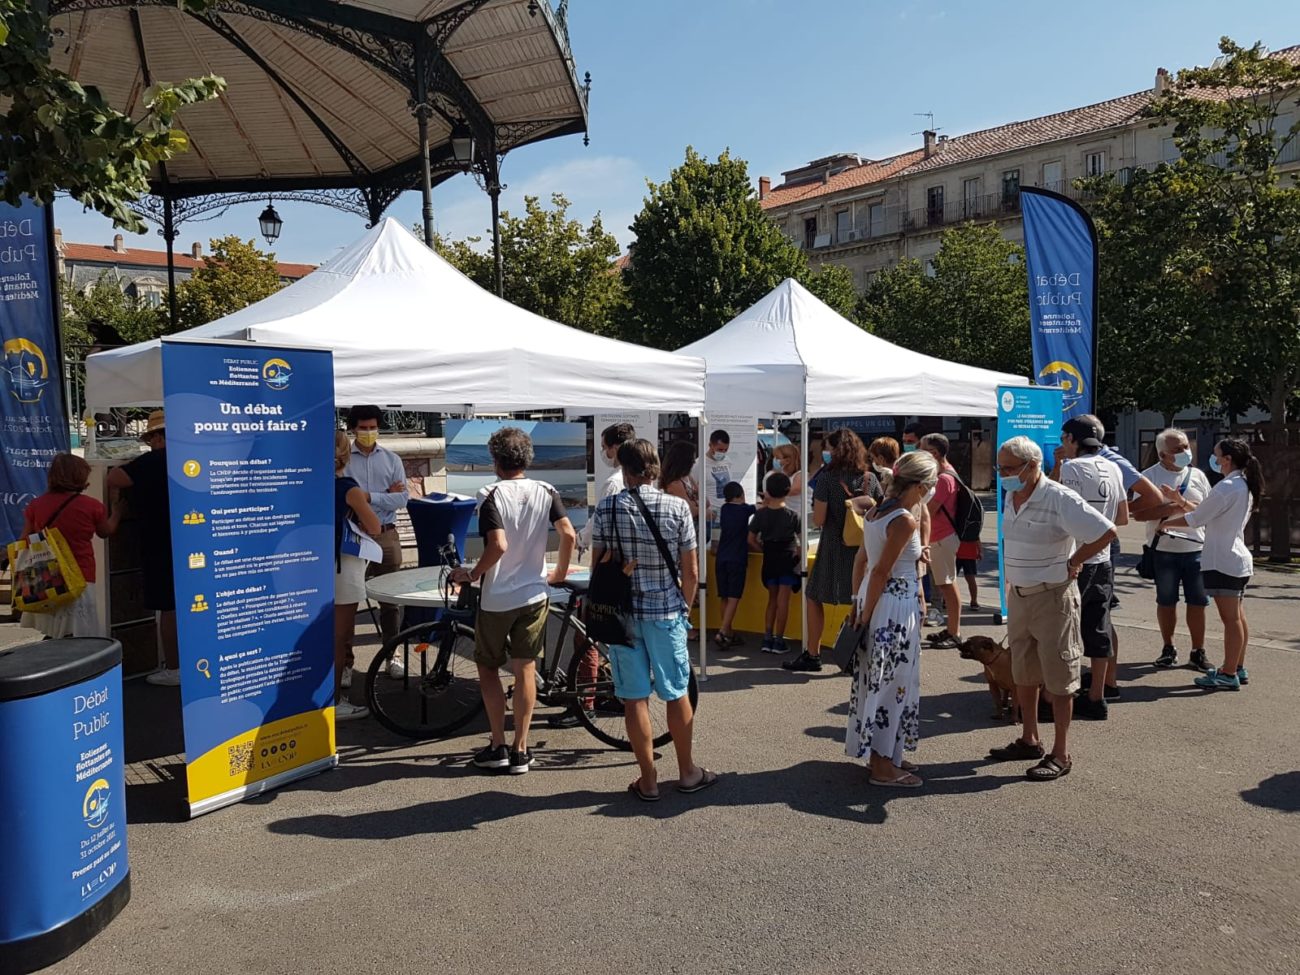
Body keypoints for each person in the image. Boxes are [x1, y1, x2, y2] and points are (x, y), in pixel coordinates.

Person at [590, 438, 714, 800]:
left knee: (634, 699)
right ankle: (688, 771)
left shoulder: (608, 508)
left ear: (624, 469)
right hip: (666, 613)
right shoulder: (677, 508)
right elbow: (691, 571)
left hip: (622, 617)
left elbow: (598, 565)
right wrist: (685, 609)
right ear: (655, 467)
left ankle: (648, 779)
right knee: (677, 694)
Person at [987, 436, 1116, 781]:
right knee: (1023, 671)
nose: (1003, 474)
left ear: (1033, 466)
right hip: (1021, 596)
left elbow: (1106, 532)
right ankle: (1030, 738)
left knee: (1060, 677)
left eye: (1009, 468)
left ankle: (1061, 752)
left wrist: (1074, 561)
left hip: (1053, 597)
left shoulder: (1059, 497)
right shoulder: (1013, 495)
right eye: (1000, 467)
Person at [450, 427, 576, 775]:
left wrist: (472, 575)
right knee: (526, 669)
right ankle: (521, 749)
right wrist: (559, 571)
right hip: (535, 593)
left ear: (495, 460)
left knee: (489, 668)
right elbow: (568, 532)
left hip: (498, 596)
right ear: (527, 458)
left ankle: (498, 744)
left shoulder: (489, 493)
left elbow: (499, 545)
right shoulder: (546, 490)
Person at [845, 450, 938, 788]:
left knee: (882, 681)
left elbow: (863, 563)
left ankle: (886, 752)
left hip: (884, 600)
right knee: (892, 683)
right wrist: (867, 613)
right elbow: (882, 570)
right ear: (922, 484)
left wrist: (859, 605)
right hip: (893, 607)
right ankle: (882, 764)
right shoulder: (903, 518)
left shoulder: (876, 512)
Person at [1160, 438, 1263, 691]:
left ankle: (1228, 673)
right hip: (1236, 558)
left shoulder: (1226, 486)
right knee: (1237, 617)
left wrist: (1167, 523)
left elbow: (1197, 518)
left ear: (1227, 459)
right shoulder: (1240, 484)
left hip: (1223, 560)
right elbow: (1208, 511)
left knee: (1231, 619)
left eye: (1216, 455)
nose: (1213, 459)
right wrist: (1180, 501)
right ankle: (1236, 666)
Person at [556, 421, 638, 729]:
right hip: (629, 568)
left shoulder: (614, 483)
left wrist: (580, 540)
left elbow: (599, 525)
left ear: (616, 448)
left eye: (604, 447)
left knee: (588, 635)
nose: (603, 453)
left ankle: (584, 702)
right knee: (615, 636)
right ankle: (617, 693)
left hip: (609, 568)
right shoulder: (640, 483)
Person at [785, 428, 882, 672]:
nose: (825, 453)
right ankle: (856, 652)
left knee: (815, 596)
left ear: (836, 450)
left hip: (833, 545)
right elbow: (881, 510)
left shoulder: (827, 479)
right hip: (864, 548)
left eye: (827, 448)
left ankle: (813, 653)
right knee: (859, 599)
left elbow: (818, 519)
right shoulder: (869, 479)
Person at [1054, 416, 1128, 720]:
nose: (1061, 445)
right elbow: (1122, 517)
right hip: (1104, 557)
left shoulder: (1071, 468)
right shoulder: (1112, 466)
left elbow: (1058, 507)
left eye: (1063, 439)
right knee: (1099, 624)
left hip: (1076, 556)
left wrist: (1057, 468)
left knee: (1063, 626)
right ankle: (1098, 694)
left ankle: (1059, 692)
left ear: (1072, 439)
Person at [106, 410, 180, 686]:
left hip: (159, 542)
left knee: (168, 607)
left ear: (159, 437)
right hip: (192, 540)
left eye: (151, 438)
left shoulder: (153, 461)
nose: (150, 443)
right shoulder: (194, 459)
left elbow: (114, 478)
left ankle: (174, 668)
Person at [341, 405, 409, 686]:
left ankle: (392, 655)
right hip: (352, 533)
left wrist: (367, 497)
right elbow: (341, 495)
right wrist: (382, 496)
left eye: (372, 427)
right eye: (363, 428)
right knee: (346, 602)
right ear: (353, 428)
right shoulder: (343, 460)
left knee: (390, 601)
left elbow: (403, 499)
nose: (368, 432)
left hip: (386, 536)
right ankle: (345, 664)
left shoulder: (392, 459)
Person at [20, 453, 122, 639]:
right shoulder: (92, 506)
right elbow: (105, 531)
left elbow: (25, 539)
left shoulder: (36, 505)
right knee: (79, 632)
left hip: (47, 575)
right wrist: (116, 511)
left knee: (54, 630)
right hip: (80, 574)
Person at [1137, 429, 1212, 671]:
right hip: (1164, 551)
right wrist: (1168, 510)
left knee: (1198, 602)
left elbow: (1207, 511)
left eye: (1185, 447)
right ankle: (1168, 648)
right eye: (1177, 449)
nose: (1184, 452)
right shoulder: (1148, 477)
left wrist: (1183, 506)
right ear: (1162, 454)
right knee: (1166, 601)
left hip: (1197, 549)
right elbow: (1137, 513)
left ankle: (1198, 651)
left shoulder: (1198, 475)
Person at [332, 431, 381, 721]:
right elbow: (374, 526)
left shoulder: (307, 481)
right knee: (339, 638)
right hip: (343, 565)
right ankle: (334, 701)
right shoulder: (348, 488)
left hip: (312, 564)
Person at [918, 433, 964, 650]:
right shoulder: (944, 473)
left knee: (947, 585)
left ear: (934, 453)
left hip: (943, 537)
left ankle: (954, 633)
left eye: (922, 448)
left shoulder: (945, 478)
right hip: (940, 536)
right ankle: (951, 630)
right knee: (945, 583)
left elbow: (929, 510)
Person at [749, 471, 801, 655]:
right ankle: (779, 640)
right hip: (787, 558)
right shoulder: (793, 515)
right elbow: (802, 542)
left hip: (769, 557)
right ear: (787, 491)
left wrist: (763, 549)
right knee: (783, 600)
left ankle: (767, 636)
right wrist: (798, 557)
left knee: (772, 599)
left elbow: (751, 539)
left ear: (767, 492)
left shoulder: (761, 515)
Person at [713, 481, 754, 648]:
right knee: (734, 597)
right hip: (736, 559)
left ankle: (728, 631)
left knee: (724, 596)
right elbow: (761, 506)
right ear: (740, 495)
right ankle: (723, 631)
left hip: (721, 558)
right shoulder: (744, 509)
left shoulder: (724, 509)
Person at [659, 439, 701, 520]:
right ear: (684, 461)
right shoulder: (675, 484)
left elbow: (706, 500)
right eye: (692, 460)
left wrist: (695, 504)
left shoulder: (688, 477)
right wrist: (700, 506)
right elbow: (690, 511)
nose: (694, 462)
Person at [703, 430, 731, 516]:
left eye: (725, 450)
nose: (722, 453)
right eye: (720, 449)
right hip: (711, 513)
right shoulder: (700, 464)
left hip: (726, 510)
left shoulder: (727, 460)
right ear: (710, 445)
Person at [957, 538, 982, 611]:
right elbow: (976, 536)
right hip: (968, 553)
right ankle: (974, 602)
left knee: (951, 579)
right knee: (970, 579)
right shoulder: (973, 526)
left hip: (958, 551)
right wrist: (980, 550)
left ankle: (946, 600)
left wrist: (980, 550)